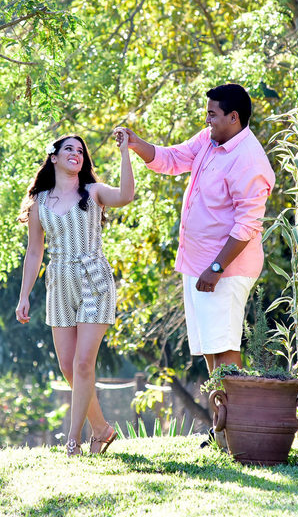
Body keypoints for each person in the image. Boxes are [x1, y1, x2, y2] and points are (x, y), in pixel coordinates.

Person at [117, 83, 274, 375]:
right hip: (197, 264)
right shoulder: (208, 139)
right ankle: (220, 407)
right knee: (210, 350)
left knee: (225, 349)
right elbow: (173, 159)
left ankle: (233, 407)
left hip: (225, 269)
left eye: (212, 114)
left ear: (234, 117)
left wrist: (216, 268)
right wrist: (137, 144)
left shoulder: (249, 160)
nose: (207, 120)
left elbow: (247, 225)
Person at [15, 131, 134, 457]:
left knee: (83, 364)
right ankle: (102, 429)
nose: (76, 154)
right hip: (59, 284)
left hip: (94, 280)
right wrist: (24, 295)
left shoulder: (93, 192)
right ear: (53, 157)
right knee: (69, 368)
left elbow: (126, 195)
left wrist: (125, 151)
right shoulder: (39, 203)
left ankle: (73, 442)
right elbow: (34, 252)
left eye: (80, 151)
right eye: (69, 149)